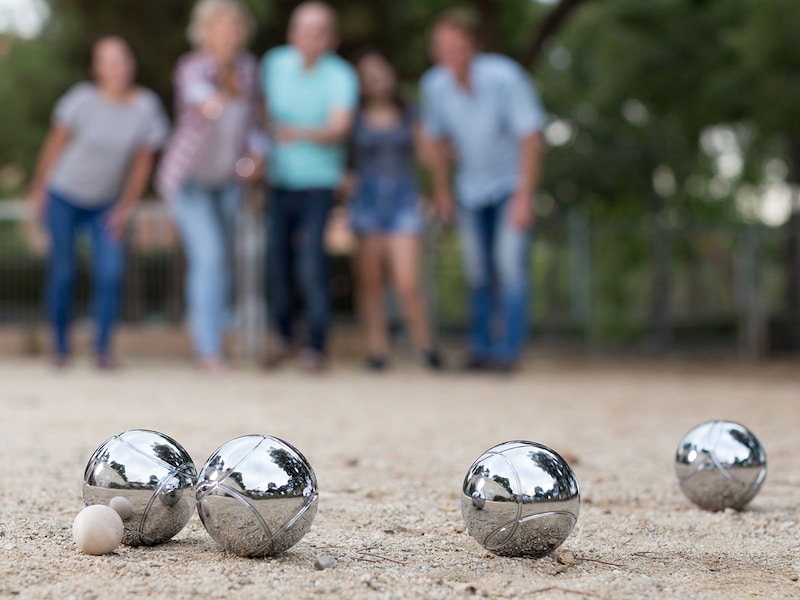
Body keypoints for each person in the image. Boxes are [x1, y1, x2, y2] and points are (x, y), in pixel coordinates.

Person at [28, 36, 169, 369]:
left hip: (107, 202)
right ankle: (60, 348)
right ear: (97, 69)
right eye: (109, 61)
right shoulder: (80, 101)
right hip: (64, 194)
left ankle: (102, 350)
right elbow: (55, 146)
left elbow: (142, 163)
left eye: (123, 59)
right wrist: (39, 191)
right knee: (63, 270)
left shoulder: (146, 107)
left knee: (110, 272)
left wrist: (126, 206)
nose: (118, 67)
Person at [421, 10, 546, 373]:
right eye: (444, 48)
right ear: (435, 51)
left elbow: (531, 138)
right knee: (477, 271)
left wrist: (524, 197)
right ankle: (481, 349)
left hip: (509, 186)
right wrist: (442, 192)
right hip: (470, 189)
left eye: (458, 47)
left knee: (509, 268)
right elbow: (437, 143)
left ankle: (508, 352)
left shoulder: (505, 77)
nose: (452, 55)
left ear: (472, 46)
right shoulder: (435, 87)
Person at [157, 0, 265, 372]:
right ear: (205, 33)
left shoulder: (250, 69)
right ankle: (209, 350)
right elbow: (201, 101)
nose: (229, 35)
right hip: (189, 180)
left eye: (234, 28)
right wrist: (219, 96)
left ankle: (209, 333)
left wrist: (257, 153)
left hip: (227, 181)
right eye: (220, 28)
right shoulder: (192, 67)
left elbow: (251, 125)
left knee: (222, 263)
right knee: (210, 257)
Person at [260, 1, 358, 372]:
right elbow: (263, 116)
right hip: (278, 181)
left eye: (318, 30)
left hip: (319, 183)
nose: (309, 37)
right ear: (291, 32)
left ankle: (316, 345)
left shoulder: (341, 75)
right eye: (303, 29)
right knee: (279, 264)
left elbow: (340, 128)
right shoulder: (274, 64)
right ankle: (285, 337)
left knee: (311, 264)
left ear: (331, 38)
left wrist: (293, 132)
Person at [349, 50, 441, 371]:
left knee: (406, 280)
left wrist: (434, 191)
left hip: (403, 199)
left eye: (379, 71)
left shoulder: (409, 114)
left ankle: (426, 347)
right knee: (370, 281)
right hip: (367, 201)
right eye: (367, 74)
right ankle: (377, 351)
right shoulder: (354, 116)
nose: (374, 79)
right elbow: (340, 156)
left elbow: (430, 155)